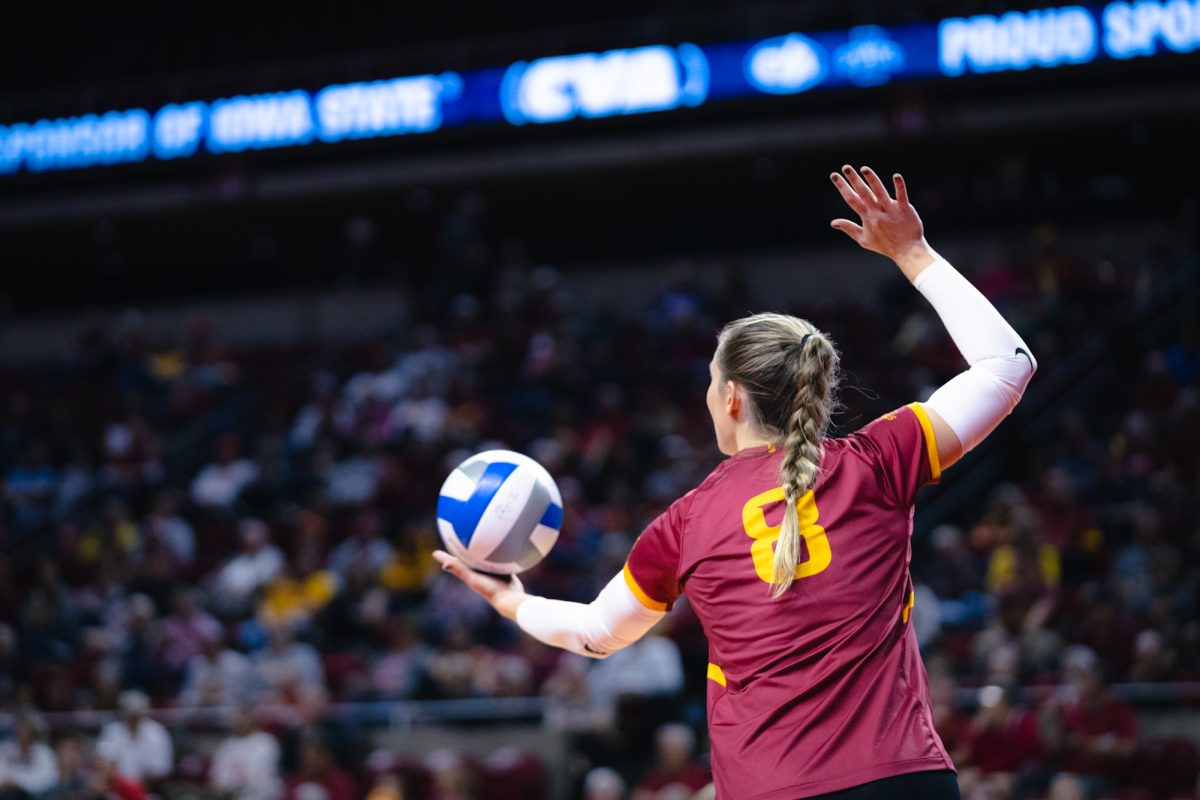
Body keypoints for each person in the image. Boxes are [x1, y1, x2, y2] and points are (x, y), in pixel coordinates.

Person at [436, 166, 1038, 799]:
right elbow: (1008, 364)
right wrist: (913, 253)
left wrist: (510, 601)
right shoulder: (878, 461)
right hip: (903, 779)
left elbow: (593, 633)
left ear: (729, 399)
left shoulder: (686, 524)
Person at [96, 691, 173, 784]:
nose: (133, 719)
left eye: (136, 715)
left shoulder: (157, 733)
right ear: (123, 713)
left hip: (149, 787)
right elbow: (104, 763)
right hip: (117, 786)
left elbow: (162, 769)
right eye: (130, 715)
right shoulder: (111, 731)